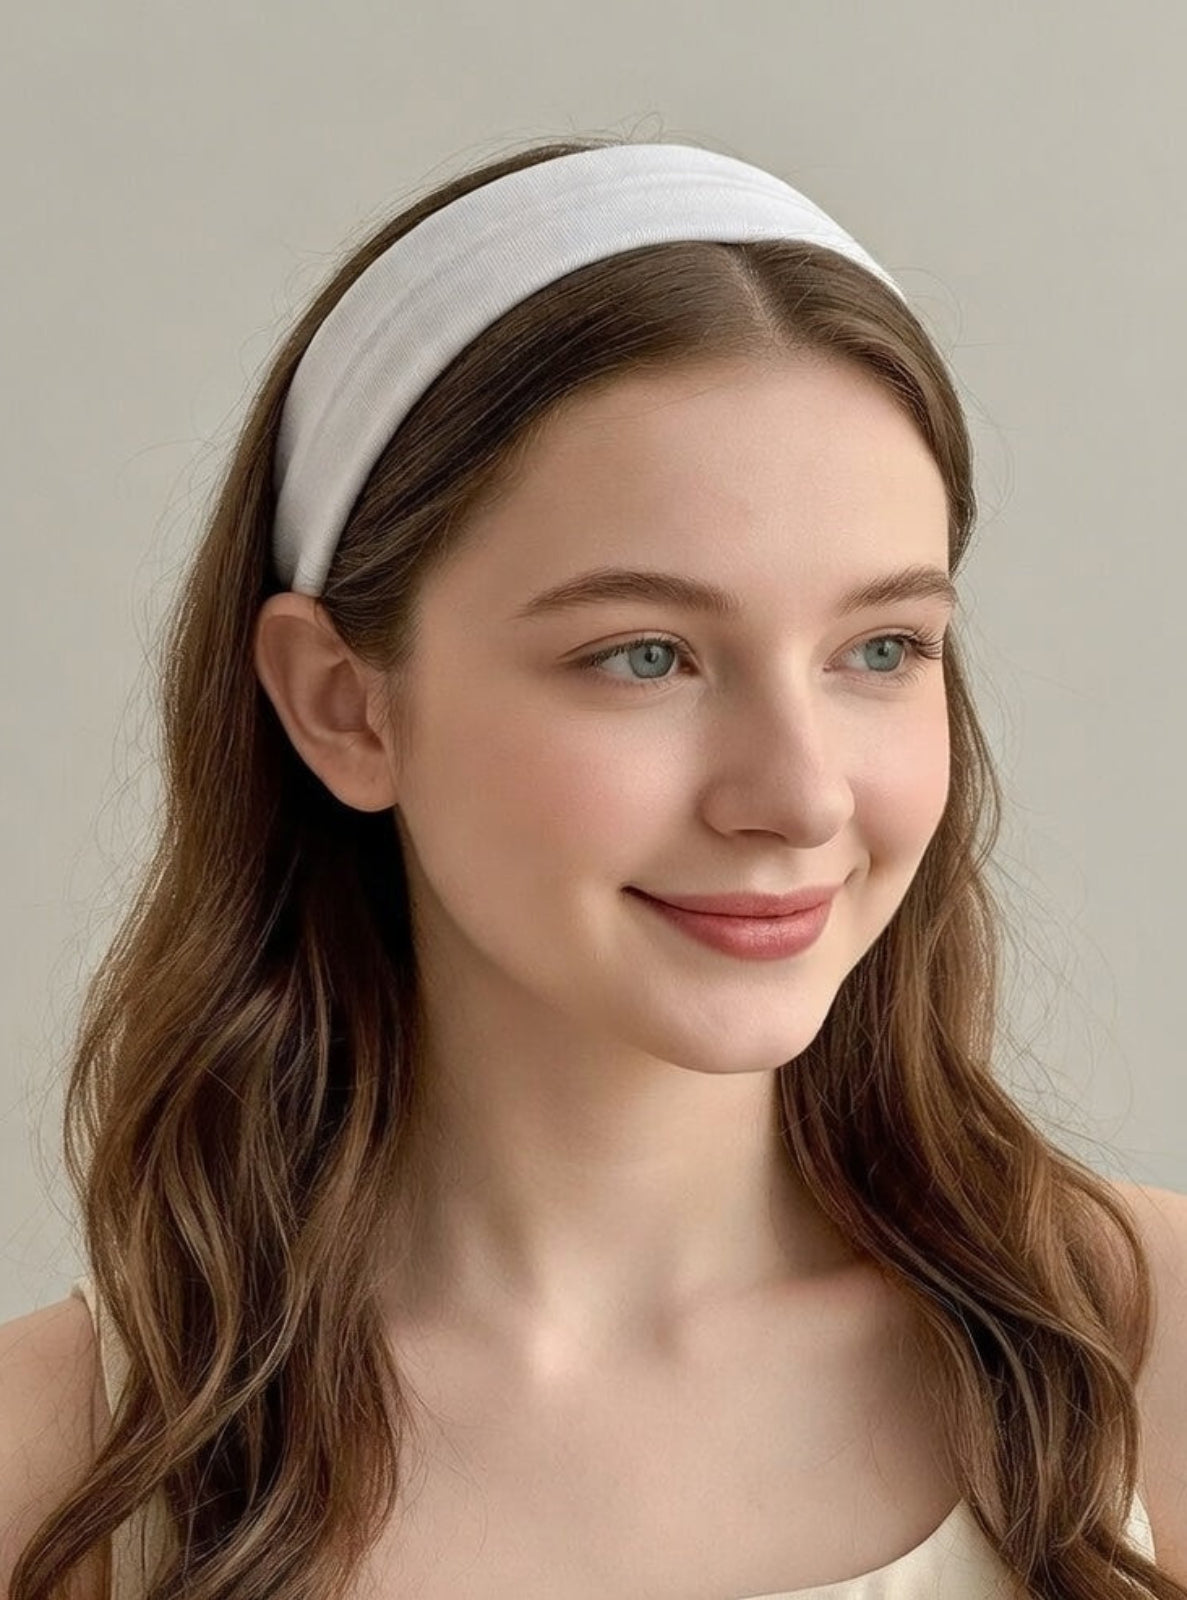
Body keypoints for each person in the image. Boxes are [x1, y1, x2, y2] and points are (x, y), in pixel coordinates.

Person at [1, 131, 1183, 1600]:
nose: (800, 796)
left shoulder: (1149, 1355)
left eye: (882, 648)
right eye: (645, 655)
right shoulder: (60, 1473)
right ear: (344, 705)